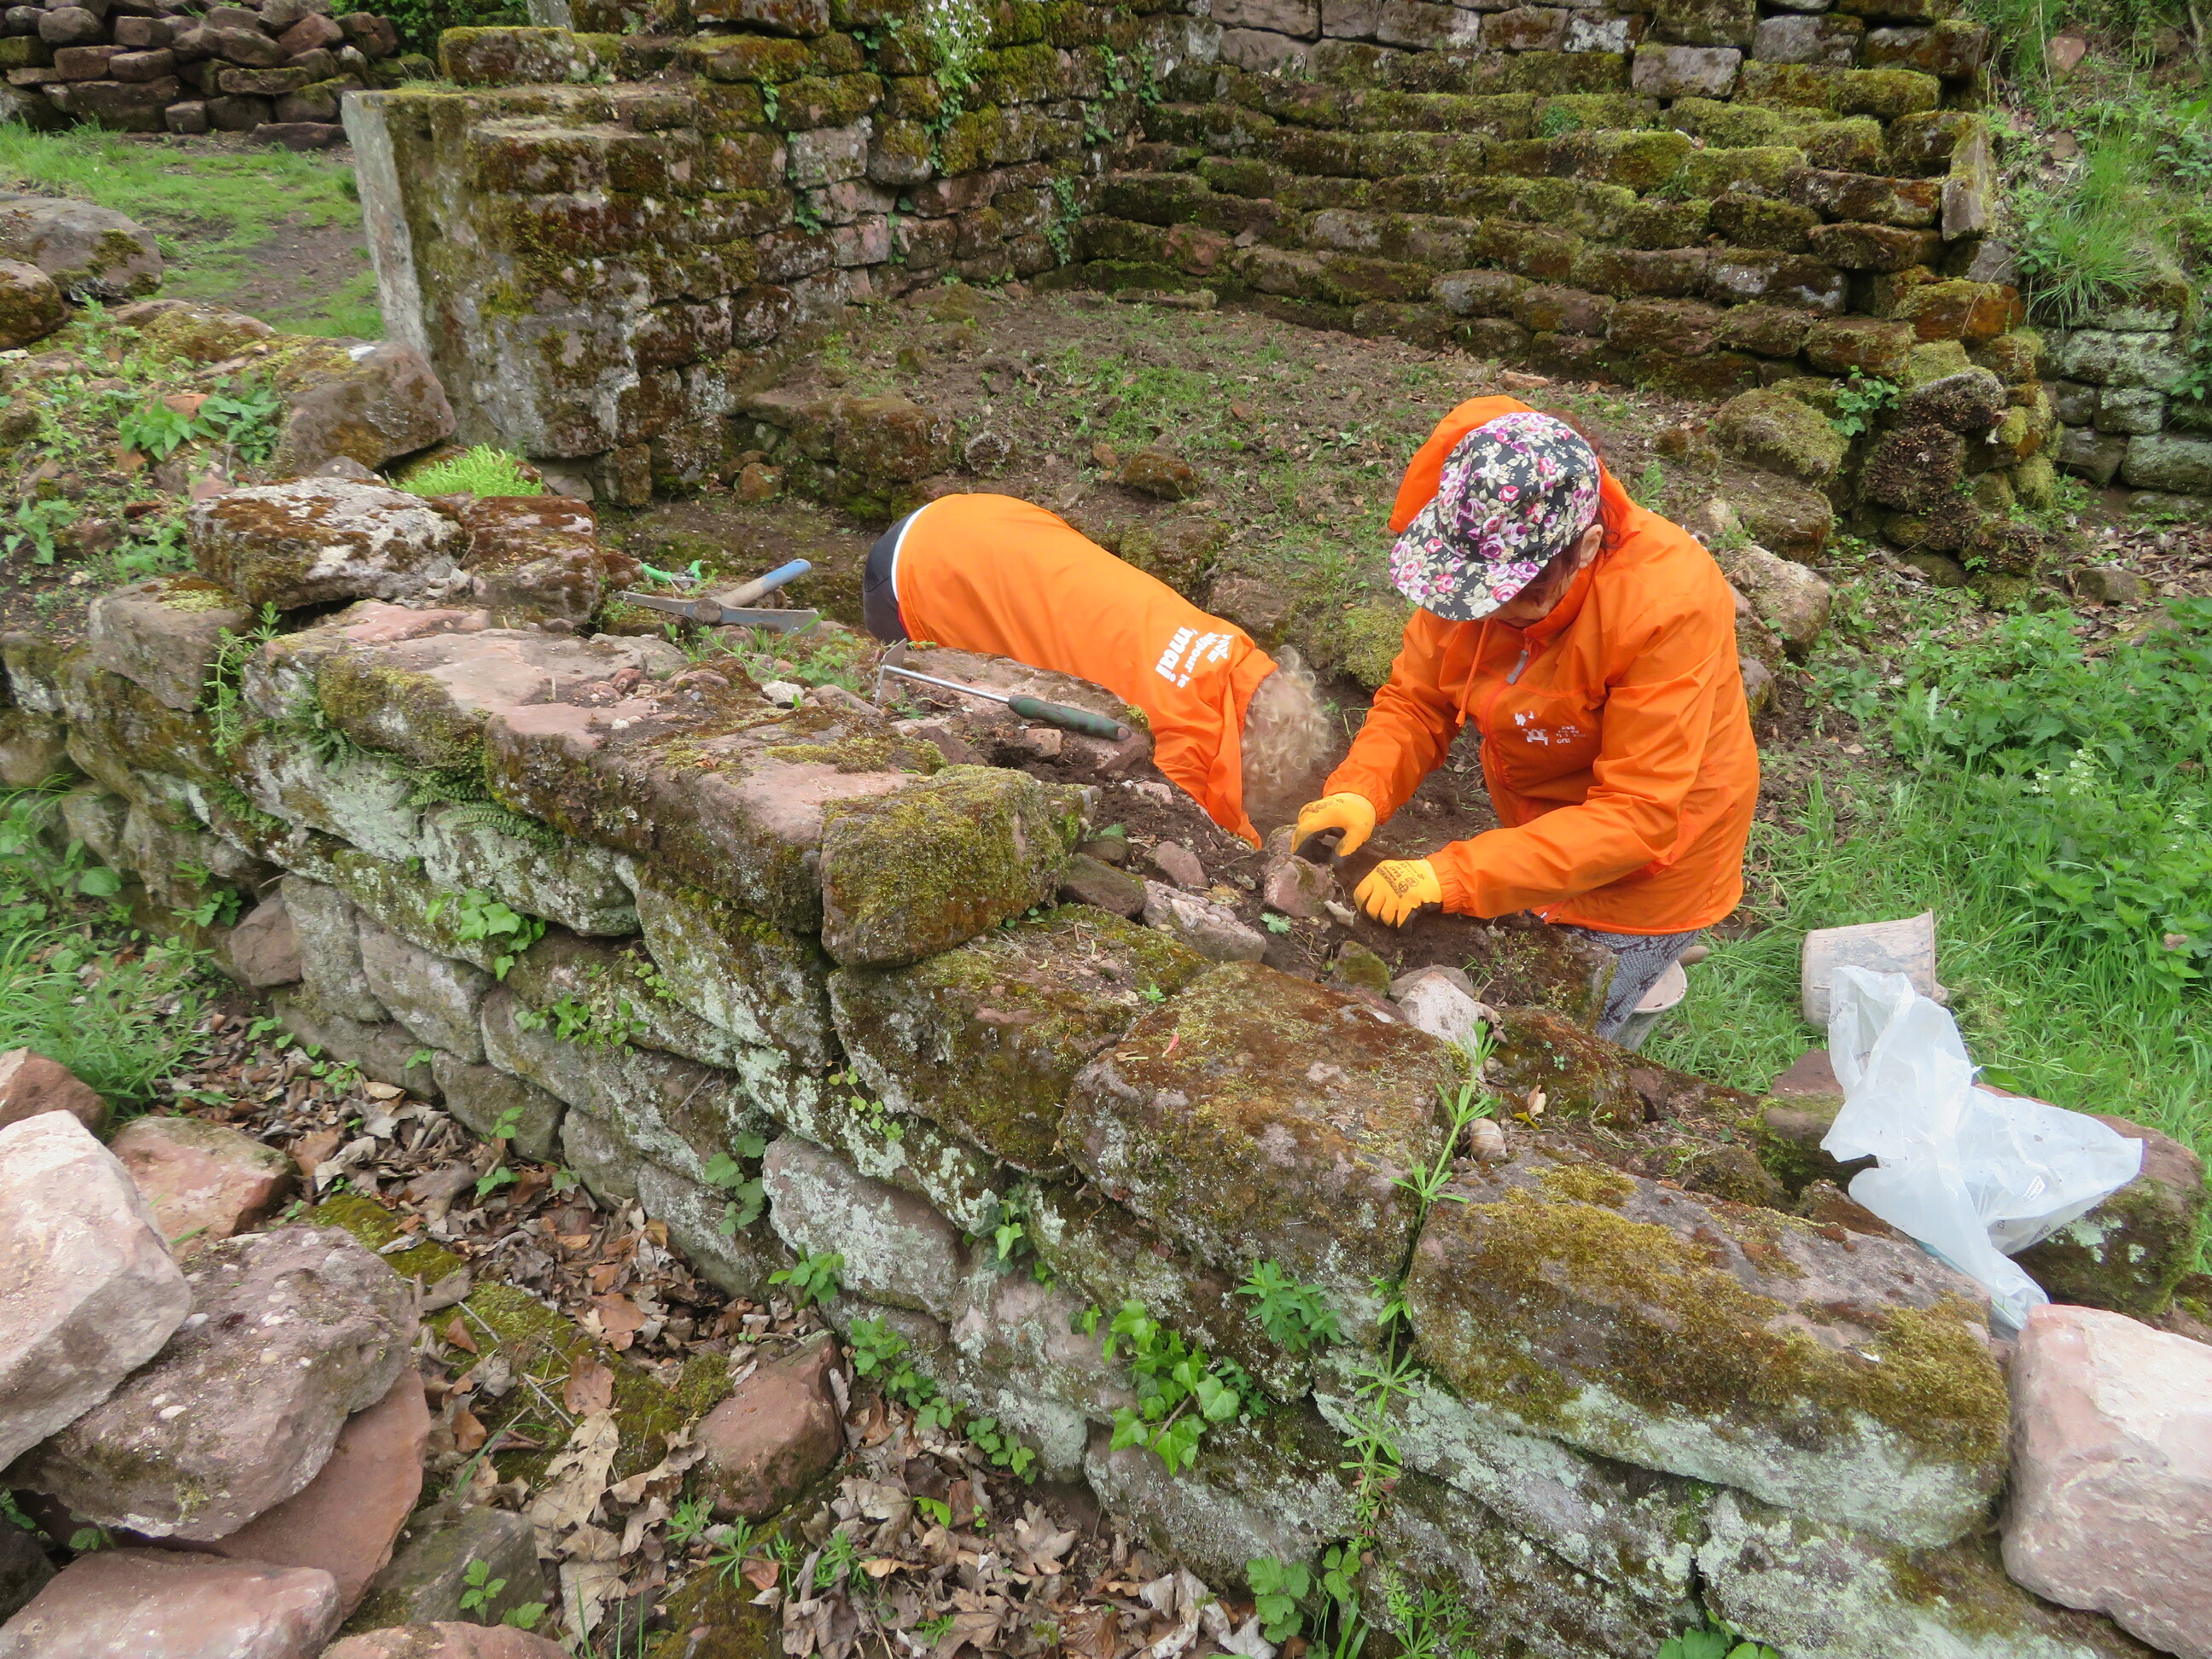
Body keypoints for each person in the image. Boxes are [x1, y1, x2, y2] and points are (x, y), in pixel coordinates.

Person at [1294, 399, 1759, 1041]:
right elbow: (1419, 701)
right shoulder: (1474, 548)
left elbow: (1637, 816)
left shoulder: (1665, 605)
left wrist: (1454, 876)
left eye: (1515, 598)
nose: (1485, 613)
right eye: (1474, 595)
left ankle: (1638, 988)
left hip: (1655, 864)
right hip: (1553, 821)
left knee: (1564, 1032)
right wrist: (1360, 790)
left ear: (1586, 547)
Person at [862, 492, 1332, 847]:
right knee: (923, 696)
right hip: (920, 580)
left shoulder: (1226, 642)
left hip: (983, 517)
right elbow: (1203, 827)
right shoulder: (1184, 744)